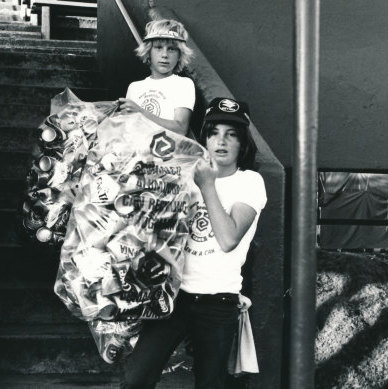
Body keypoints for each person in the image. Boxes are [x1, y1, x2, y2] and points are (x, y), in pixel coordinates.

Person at [122, 97, 267, 389]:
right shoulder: (183, 174)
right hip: (174, 296)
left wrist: (207, 185)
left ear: (243, 143)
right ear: (204, 138)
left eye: (232, 134)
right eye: (214, 132)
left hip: (218, 301)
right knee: (135, 379)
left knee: (210, 384)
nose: (221, 141)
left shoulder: (250, 182)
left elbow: (228, 239)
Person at [118, 19, 195, 136]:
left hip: (167, 152)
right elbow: (129, 130)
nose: (164, 55)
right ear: (148, 51)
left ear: (180, 55)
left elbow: (181, 129)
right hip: (136, 151)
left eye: (171, 49)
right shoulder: (134, 87)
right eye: (158, 47)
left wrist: (141, 112)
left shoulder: (183, 84)